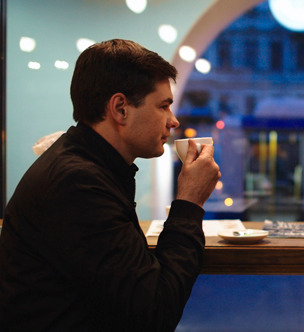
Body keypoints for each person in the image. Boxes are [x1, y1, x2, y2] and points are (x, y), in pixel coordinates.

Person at [0, 39, 221, 331]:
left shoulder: (88, 167)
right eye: (163, 106)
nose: (174, 121)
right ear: (120, 109)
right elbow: (155, 314)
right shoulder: (78, 184)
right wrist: (189, 202)